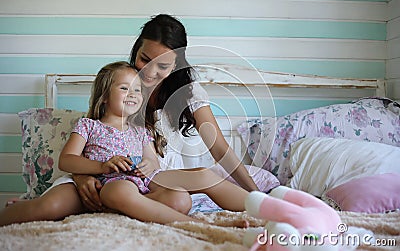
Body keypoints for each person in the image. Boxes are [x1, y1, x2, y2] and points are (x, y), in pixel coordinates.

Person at [0, 61, 249, 227]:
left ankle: (263, 207)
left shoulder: (141, 131)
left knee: (185, 196)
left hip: (140, 184)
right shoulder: (89, 125)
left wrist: (149, 164)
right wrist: (102, 167)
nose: (133, 94)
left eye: (138, 90)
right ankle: (198, 226)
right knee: (50, 206)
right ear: (105, 96)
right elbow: (67, 160)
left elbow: (151, 159)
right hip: (100, 185)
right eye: (124, 88)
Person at [73, 14, 258, 212]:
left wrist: (256, 192)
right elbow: (90, 139)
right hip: (117, 181)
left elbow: (220, 149)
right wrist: (81, 177)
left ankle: (265, 207)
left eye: (162, 66)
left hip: (162, 180)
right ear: (136, 50)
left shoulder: (189, 94)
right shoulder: (122, 83)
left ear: (176, 64)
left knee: (201, 179)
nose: (150, 73)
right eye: (145, 59)